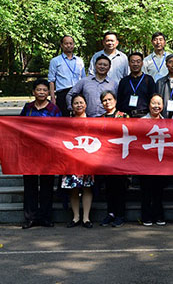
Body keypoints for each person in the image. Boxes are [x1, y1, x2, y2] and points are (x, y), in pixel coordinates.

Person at [19, 78, 61, 229]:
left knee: (46, 185)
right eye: (39, 90)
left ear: (49, 92)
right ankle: (30, 218)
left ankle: (45, 217)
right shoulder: (28, 108)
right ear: (33, 92)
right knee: (30, 185)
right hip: (29, 152)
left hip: (48, 152)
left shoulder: (53, 109)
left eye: (44, 90)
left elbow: (60, 129)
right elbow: (17, 124)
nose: (42, 92)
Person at [62, 94, 94, 229]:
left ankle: (86, 218)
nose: (79, 105)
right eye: (76, 103)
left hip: (88, 159)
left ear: (86, 104)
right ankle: (76, 217)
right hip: (72, 159)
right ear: (72, 106)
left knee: (87, 188)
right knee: (73, 188)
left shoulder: (93, 121)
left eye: (81, 102)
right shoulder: (66, 122)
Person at [99, 90, 129, 228]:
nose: (107, 102)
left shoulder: (124, 116)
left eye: (110, 99)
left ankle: (120, 215)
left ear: (115, 101)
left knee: (120, 187)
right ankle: (110, 213)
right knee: (109, 187)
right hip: (106, 158)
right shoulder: (100, 119)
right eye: (104, 100)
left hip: (121, 157)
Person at [140, 94, 168, 226]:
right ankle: (146, 216)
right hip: (145, 162)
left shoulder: (167, 122)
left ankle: (159, 215)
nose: (156, 106)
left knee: (158, 191)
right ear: (148, 105)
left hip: (160, 162)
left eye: (159, 103)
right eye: (153, 103)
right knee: (146, 190)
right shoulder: (141, 122)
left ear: (162, 106)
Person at [48, 35, 86, 116]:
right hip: (63, 93)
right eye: (66, 43)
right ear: (61, 45)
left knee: (78, 117)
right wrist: (52, 97)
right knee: (64, 118)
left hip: (77, 92)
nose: (68, 45)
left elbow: (84, 79)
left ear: (74, 45)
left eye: (71, 43)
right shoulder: (55, 61)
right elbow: (51, 81)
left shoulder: (79, 61)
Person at [116, 52, 156, 117]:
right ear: (129, 63)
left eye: (138, 61)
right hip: (126, 116)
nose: (135, 64)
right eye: (132, 61)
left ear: (142, 63)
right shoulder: (124, 81)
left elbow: (153, 99)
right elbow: (119, 100)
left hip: (144, 115)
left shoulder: (148, 79)